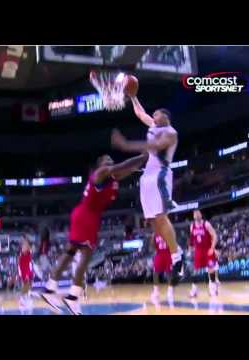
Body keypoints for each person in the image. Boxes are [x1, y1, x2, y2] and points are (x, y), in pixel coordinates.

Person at [40, 153, 147, 315]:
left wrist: (143, 162)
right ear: (100, 165)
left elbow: (128, 169)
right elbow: (124, 165)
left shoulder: (111, 177)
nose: (110, 162)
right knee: (85, 256)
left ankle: (50, 289)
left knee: (69, 253)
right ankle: (72, 296)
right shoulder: (100, 173)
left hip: (86, 215)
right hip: (87, 216)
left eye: (111, 160)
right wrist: (144, 155)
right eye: (106, 160)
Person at [111, 96, 183, 284]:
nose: (153, 116)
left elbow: (155, 146)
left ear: (165, 117)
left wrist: (126, 145)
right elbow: (139, 112)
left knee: (161, 216)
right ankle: (175, 251)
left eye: (156, 114)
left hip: (160, 174)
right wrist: (133, 96)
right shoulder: (153, 125)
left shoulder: (170, 132)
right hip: (147, 176)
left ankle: (177, 257)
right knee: (152, 221)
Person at [188, 210, 219, 297]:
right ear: (193, 216)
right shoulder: (192, 226)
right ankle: (194, 290)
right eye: (195, 214)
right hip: (198, 250)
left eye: (198, 214)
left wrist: (212, 248)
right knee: (195, 271)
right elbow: (191, 240)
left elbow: (215, 236)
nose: (197, 215)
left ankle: (212, 289)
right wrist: (189, 250)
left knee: (211, 269)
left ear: (201, 215)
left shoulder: (206, 224)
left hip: (207, 250)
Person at [150, 232, 174, 306]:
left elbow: (172, 243)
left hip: (168, 253)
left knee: (169, 272)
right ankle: (156, 291)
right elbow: (152, 245)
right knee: (155, 272)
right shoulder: (155, 233)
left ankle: (170, 290)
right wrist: (152, 238)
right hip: (159, 254)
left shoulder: (167, 230)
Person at [18, 234, 34, 311]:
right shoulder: (24, 247)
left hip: (28, 266)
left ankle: (27, 297)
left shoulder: (29, 247)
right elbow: (21, 261)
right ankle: (21, 300)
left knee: (30, 283)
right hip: (24, 267)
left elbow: (30, 244)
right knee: (26, 284)